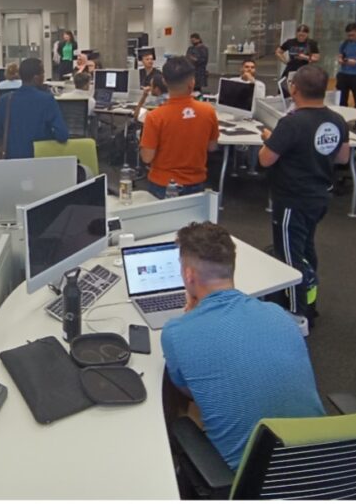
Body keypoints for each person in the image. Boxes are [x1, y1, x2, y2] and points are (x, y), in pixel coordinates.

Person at [161, 222, 324, 470]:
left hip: (251, 482)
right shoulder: (278, 314)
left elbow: (189, 391)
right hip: (325, 463)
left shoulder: (176, 333)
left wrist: (193, 320)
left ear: (188, 275)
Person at [259, 65, 350, 333]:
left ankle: (297, 315)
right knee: (306, 250)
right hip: (319, 197)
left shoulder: (291, 123)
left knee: (289, 256)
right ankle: (309, 301)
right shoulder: (337, 120)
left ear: (293, 88)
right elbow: (343, 158)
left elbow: (266, 159)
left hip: (291, 200)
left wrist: (270, 139)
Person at [139, 56, 218, 199]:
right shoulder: (208, 111)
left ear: (164, 81)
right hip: (195, 183)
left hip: (162, 184)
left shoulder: (155, 117)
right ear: (192, 83)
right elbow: (212, 147)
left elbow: (147, 157)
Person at [0, 58, 68, 159]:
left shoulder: (5, 100)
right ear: (36, 78)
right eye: (43, 74)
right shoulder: (46, 100)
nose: (44, 77)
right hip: (39, 158)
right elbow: (62, 135)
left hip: (12, 158)